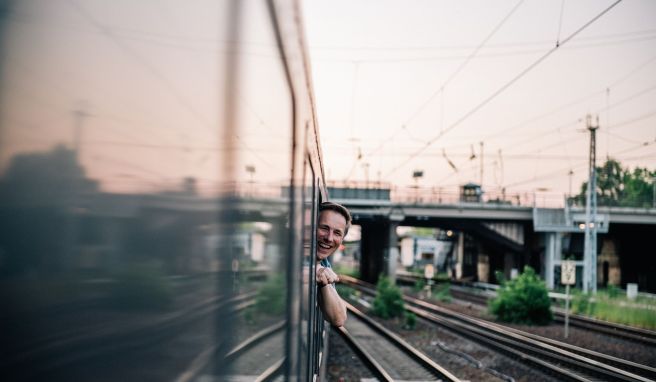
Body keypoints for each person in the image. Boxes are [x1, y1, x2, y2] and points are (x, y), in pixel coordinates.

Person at [315, 201, 350, 327]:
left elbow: (339, 319)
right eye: (324, 228)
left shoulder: (324, 263)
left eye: (337, 233)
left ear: (341, 240)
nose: (329, 238)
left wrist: (323, 279)